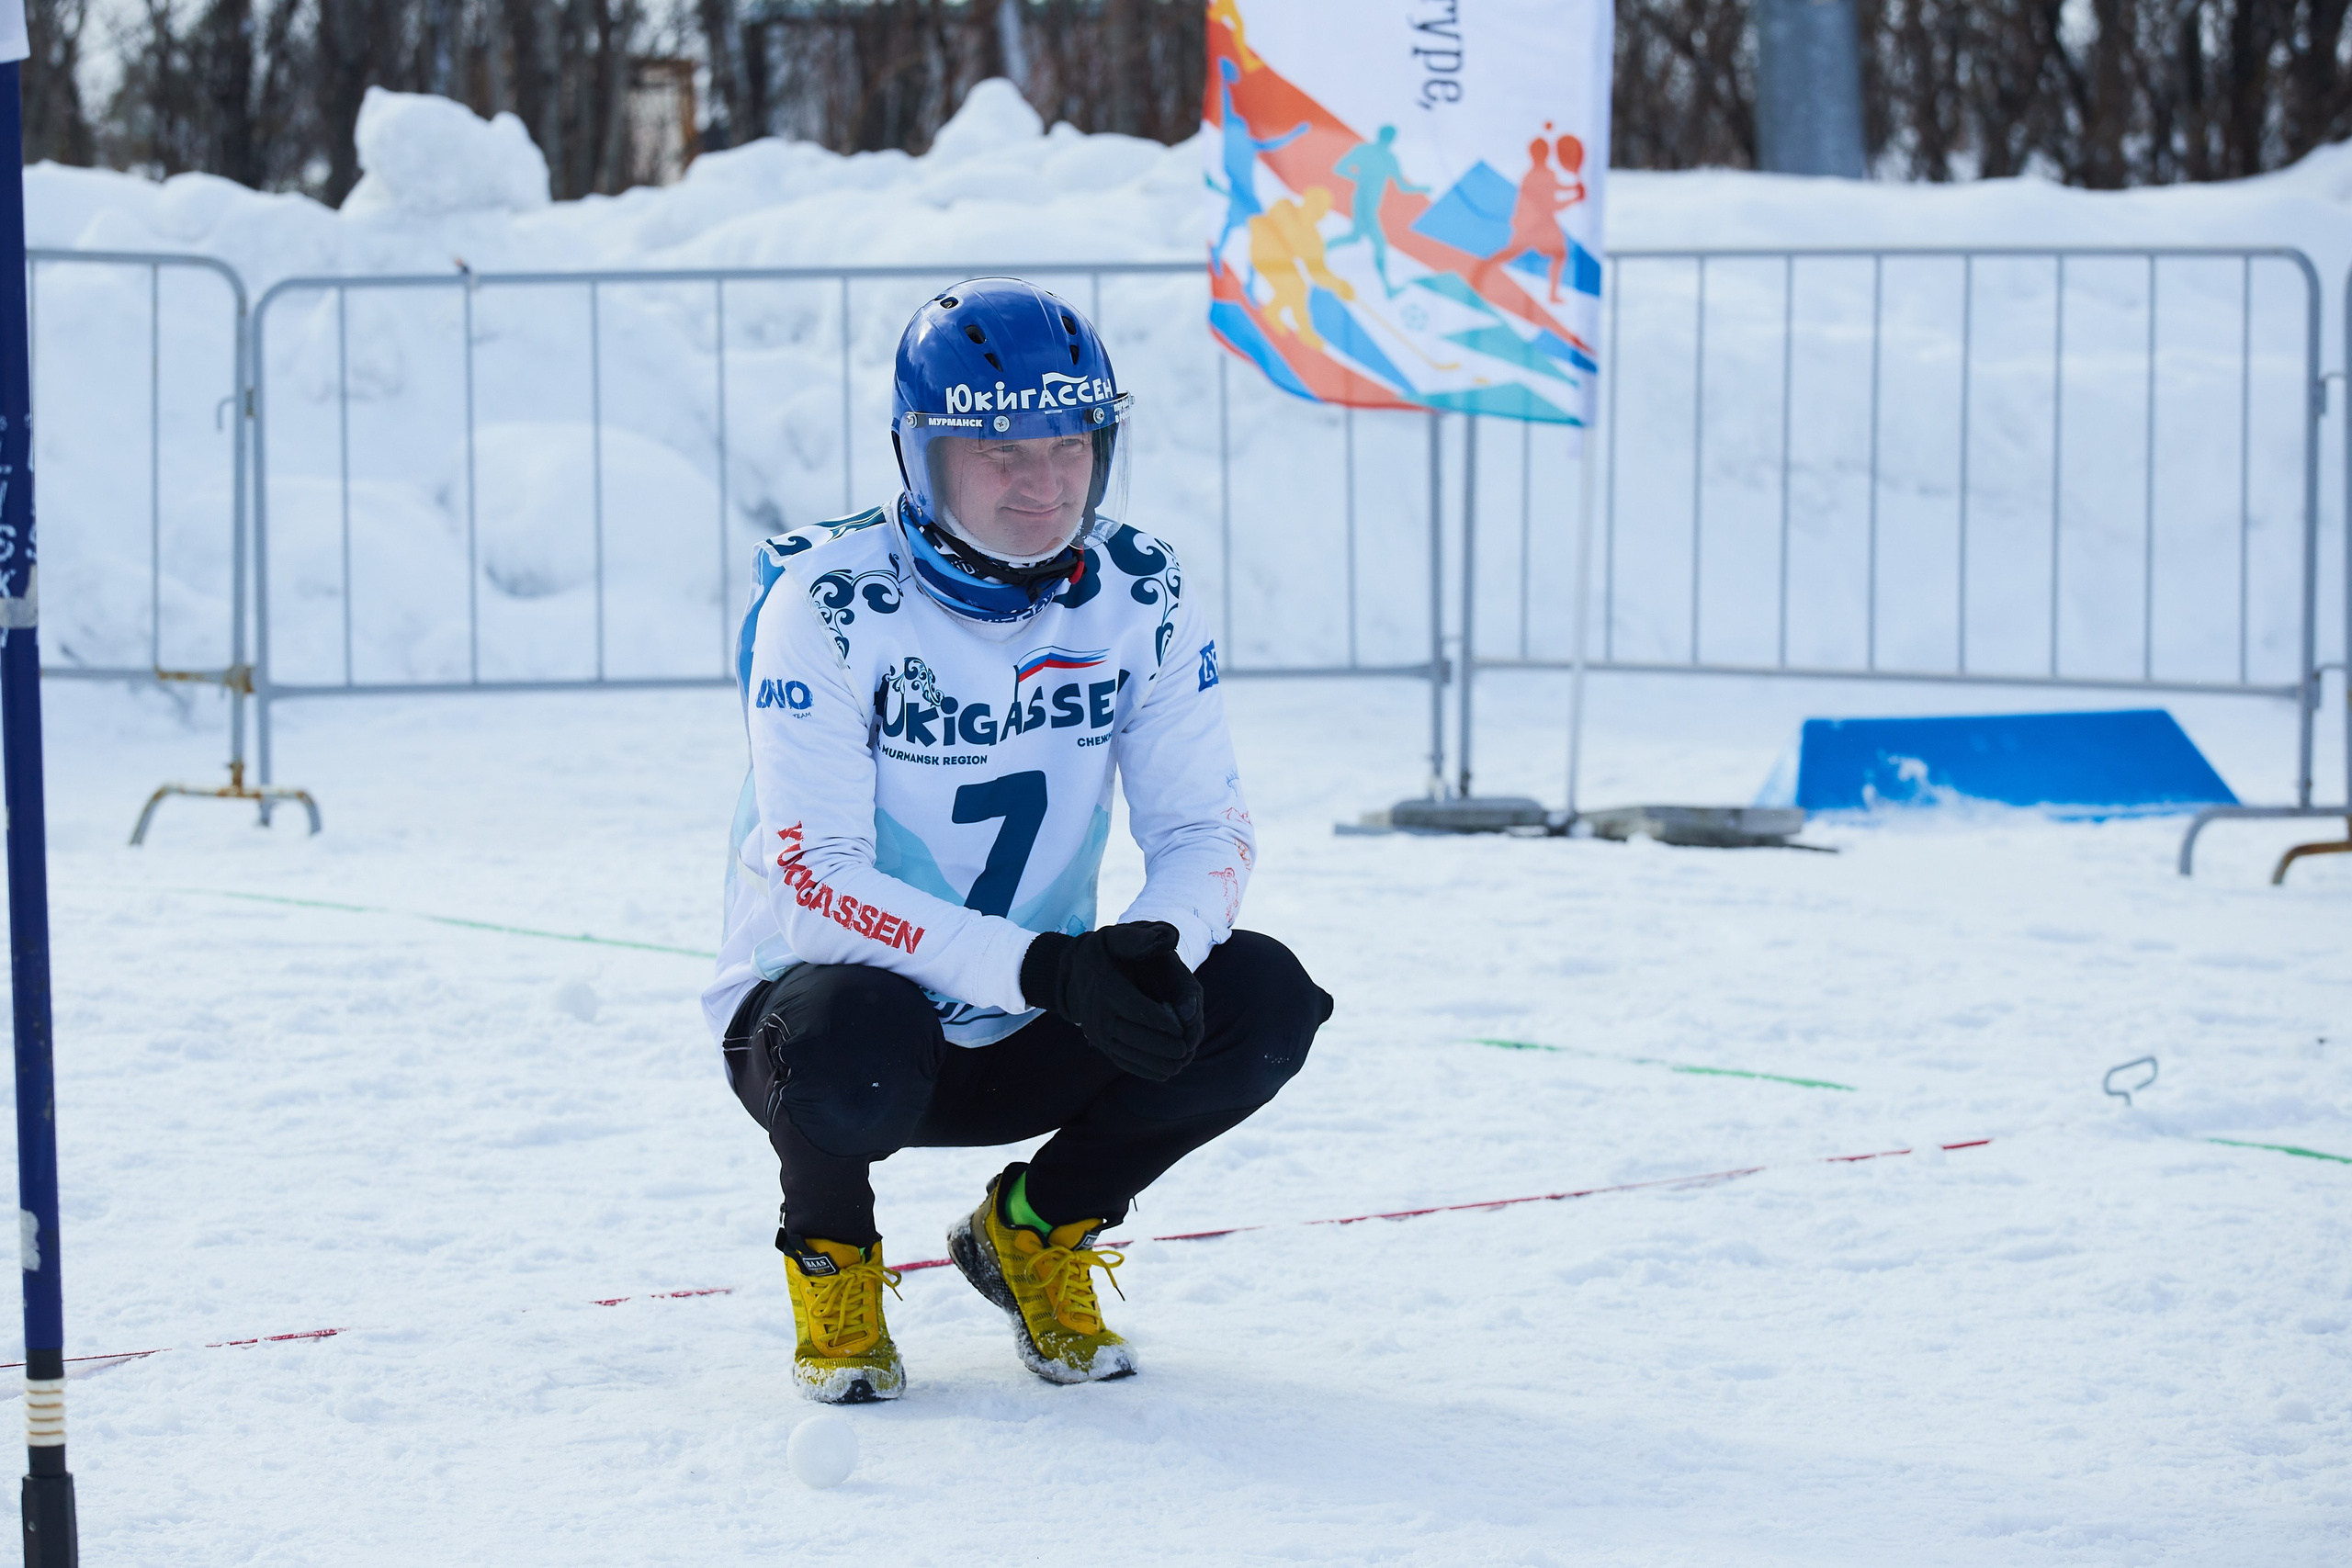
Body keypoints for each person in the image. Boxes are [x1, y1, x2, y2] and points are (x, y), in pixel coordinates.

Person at [704, 277, 1332, 1404]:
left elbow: (1204, 827)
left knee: (1265, 999)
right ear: (922, 456)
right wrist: (1050, 966)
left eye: (1071, 446)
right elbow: (814, 882)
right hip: (834, 1033)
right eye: (1000, 455)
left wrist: (1149, 948)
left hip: (1036, 1017)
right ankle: (832, 1260)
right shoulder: (829, 601)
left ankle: (1036, 1232)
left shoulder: (1139, 587)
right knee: (849, 1029)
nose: (1045, 486)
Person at [1328, 126, 1430, 299]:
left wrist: (1421, 188)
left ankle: (1317, 249)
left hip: (1371, 206)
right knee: (1377, 244)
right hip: (1363, 205)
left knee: (1354, 237)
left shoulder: (1389, 158)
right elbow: (1339, 168)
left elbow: (1402, 187)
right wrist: (1360, 178)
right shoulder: (1365, 151)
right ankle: (1387, 288)